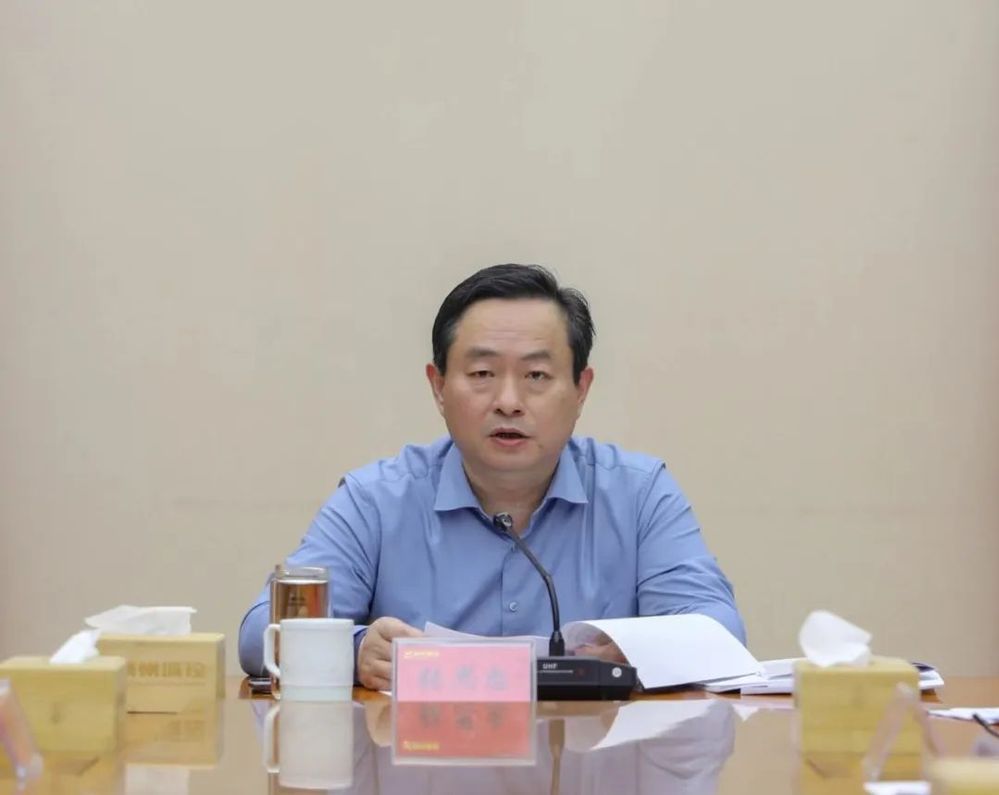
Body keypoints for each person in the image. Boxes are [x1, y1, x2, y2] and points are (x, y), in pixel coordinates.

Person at [239, 264, 745, 690]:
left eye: (536, 376)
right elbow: (262, 633)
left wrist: (637, 649)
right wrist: (355, 652)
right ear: (439, 387)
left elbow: (720, 633)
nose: (508, 401)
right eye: (482, 374)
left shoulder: (639, 495)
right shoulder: (376, 501)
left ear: (581, 389)